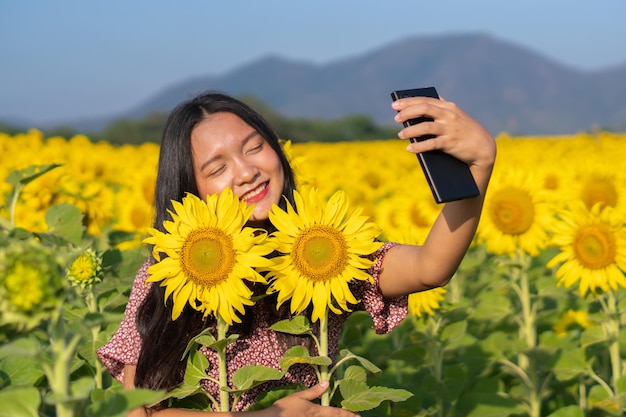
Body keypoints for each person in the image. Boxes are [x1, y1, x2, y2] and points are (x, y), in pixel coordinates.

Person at [97, 90, 496, 416]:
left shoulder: (318, 248)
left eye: (254, 148)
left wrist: (478, 165)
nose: (245, 171)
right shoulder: (170, 270)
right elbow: (137, 413)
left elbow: (429, 268)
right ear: (191, 190)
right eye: (217, 169)